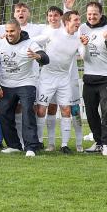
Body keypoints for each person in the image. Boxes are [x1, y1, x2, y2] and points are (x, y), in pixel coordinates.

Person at [0, 19, 49, 157]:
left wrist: (37, 56)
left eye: (12, 31)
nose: (9, 34)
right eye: (7, 31)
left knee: (28, 111)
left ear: (19, 31)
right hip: (6, 83)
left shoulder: (30, 43)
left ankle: (31, 147)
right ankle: (13, 145)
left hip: (26, 82)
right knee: (4, 113)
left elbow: (46, 59)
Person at [33, 10, 85, 153]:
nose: (78, 23)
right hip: (47, 77)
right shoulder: (53, 33)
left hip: (64, 79)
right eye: (75, 20)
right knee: (42, 110)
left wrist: (85, 45)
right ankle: (38, 142)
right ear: (67, 22)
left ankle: (64, 145)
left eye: (79, 20)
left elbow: (84, 56)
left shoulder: (78, 39)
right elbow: (33, 40)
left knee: (66, 110)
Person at [79, 1, 107, 157]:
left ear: (101, 14)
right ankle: (98, 142)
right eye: (89, 14)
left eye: (95, 14)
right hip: (89, 77)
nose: (92, 16)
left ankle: (106, 145)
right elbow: (83, 55)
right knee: (90, 113)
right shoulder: (82, 29)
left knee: (106, 112)